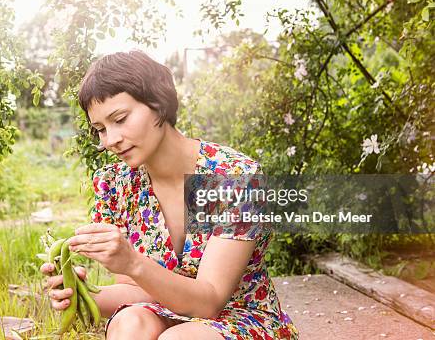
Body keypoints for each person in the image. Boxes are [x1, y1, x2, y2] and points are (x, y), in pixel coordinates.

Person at [40, 50, 299, 339]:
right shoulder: (115, 185)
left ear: (159, 103)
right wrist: (79, 294)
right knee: (130, 322)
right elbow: (136, 292)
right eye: (100, 129)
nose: (110, 140)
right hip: (165, 310)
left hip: (240, 316)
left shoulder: (231, 177)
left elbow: (209, 302)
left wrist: (133, 262)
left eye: (120, 119)